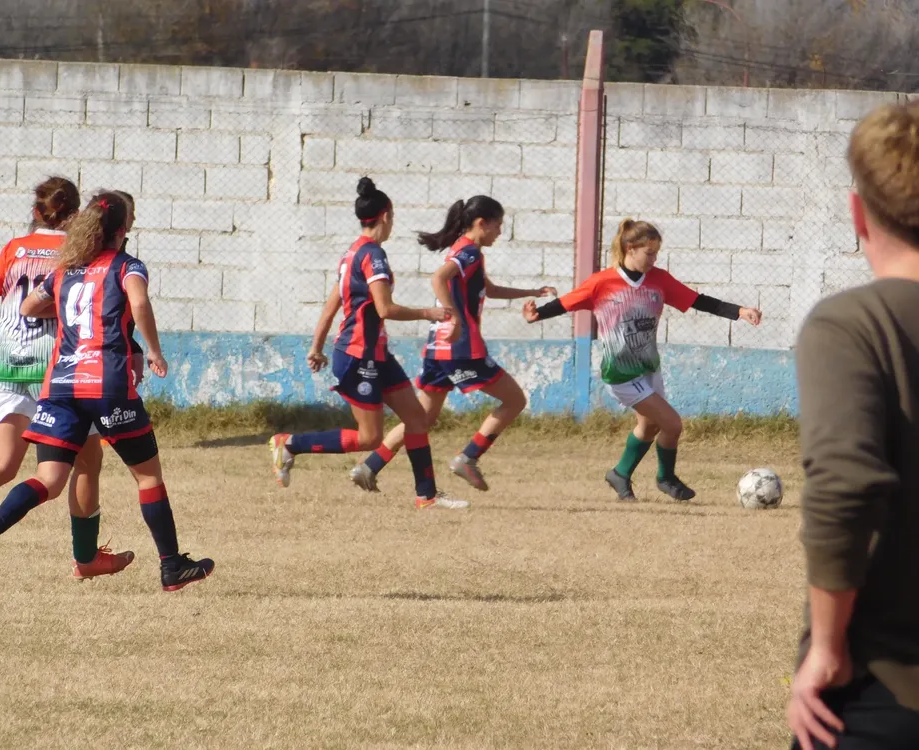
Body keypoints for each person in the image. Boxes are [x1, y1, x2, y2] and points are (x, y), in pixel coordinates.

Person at [0, 191, 213, 591]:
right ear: (122, 229)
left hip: (61, 384)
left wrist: (69, 310)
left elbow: (28, 307)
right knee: (148, 477)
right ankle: (172, 566)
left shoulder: (66, 270)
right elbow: (140, 303)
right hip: (106, 384)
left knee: (49, 478)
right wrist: (153, 350)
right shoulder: (127, 266)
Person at [0, 177, 133, 580]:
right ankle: (86, 556)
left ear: (36, 211)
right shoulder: (78, 252)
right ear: (76, 216)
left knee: (2, 463)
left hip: (6, 364)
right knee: (87, 463)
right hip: (55, 371)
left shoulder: (14, 249)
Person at [787, 102, 919, 749]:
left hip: (886, 691)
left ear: (857, 213)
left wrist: (827, 645)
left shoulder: (852, 325)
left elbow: (845, 484)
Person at [522, 218, 762, 502]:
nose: (654, 259)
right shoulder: (602, 283)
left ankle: (620, 474)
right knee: (672, 424)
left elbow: (697, 300)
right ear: (630, 248)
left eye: (656, 253)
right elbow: (566, 302)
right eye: (649, 253)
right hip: (621, 374)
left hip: (649, 368)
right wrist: (538, 314)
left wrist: (739, 311)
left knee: (649, 427)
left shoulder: (659, 279)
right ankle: (666, 478)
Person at [269, 177, 468, 510]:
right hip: (358, 355)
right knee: (369, 438)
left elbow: (332, 305)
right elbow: (385, 309)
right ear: (386, 215)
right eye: (394, 216)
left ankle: (427, 496)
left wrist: (317, 346)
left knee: (416, 419)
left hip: (376, 355)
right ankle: (289, 444)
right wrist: (429, 313)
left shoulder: (351, 253)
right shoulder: (373, 255)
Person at [351, 196, 554, 494]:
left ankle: (369, 467)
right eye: (498, 225)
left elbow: (490, 290)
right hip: (460, 348)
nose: (500, 232)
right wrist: (454, 316)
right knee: (515, 400)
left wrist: (532, 291)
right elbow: (438, 279)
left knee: (422, 417)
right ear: (481, 223)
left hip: (438, 348)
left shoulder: (465, 249)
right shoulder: (469, 252)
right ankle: (468, 458)